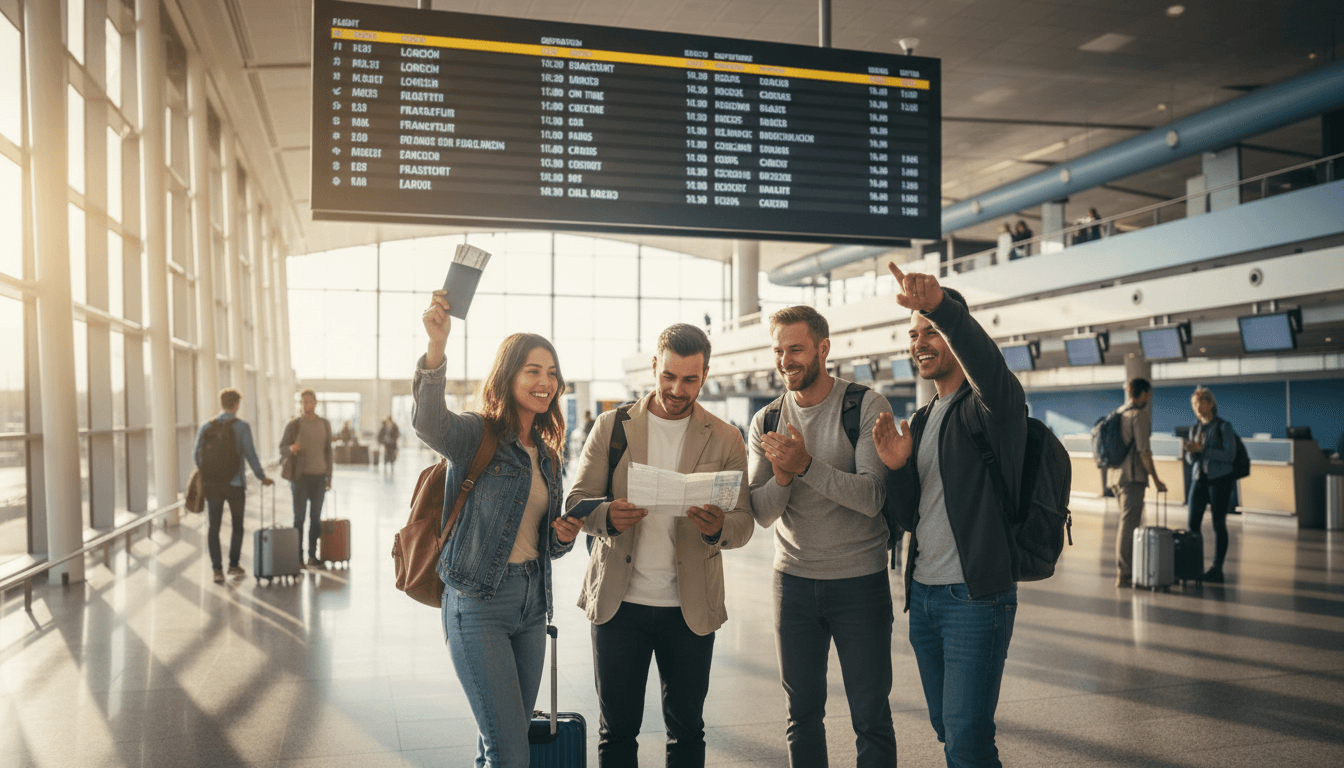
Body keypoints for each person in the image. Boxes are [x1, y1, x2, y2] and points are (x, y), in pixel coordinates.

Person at [570, 323, 752, 768]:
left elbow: (744, 522)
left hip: (689, 609)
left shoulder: (726, 437)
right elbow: (577, 501)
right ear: (654, 366)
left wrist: (715, 528)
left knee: (687, 730)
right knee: (616, 732)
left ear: (705, 375)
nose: (676, 388)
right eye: (668, 375)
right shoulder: (613, 427)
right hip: (619, 603)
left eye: (690, 379)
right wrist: (607, 516)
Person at [417, 289, 582, 768]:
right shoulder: (478, 434)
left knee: (502, 744)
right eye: (533, 370)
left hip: (532, 605)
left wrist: (563, 535)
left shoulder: (548, 455)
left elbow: (544, 541)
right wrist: (436, 348)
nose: (544, 381)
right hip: (477, 604)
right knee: (510, 753)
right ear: (508, 376)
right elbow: (428, 423)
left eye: (551, 373)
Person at [872, 263, 1026, 768]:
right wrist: (897, 468)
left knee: (966, 739)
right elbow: (911, 516)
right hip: (926, 599)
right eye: (914, 334)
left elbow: (986, 365)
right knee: (950, 729)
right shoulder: (922, 417)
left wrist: (944, 310)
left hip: (975, 599)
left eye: (930, 331)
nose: (920, 341)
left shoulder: (991, 407)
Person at [747, 305, 897, 768]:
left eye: (795, 348)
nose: (785, 360)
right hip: (792, 583)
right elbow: (762, 512)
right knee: (802, 715)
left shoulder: (866, 405)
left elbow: (873, 496)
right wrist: (786, 477)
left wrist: (806, 465)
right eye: (778, 350)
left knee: (870, 715)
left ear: (823, 349)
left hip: (860, 582)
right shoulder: (767, 421)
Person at [193, 388, 273, 584]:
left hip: (212, 484)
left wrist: (207, 474)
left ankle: (217, 570)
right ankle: (234, 565)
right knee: (237, 526)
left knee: (214, 527)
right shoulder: (242, 427)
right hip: (235, 484)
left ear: (222, 403)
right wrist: (262, 477)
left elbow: (196, 454)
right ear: (236, 405)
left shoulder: (206, 426)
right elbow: (250, 454)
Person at [1107, 377, 1168, 588]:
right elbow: (1144, 450)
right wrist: (1156, 479)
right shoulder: (1138, 415)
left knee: (1128, 523)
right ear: (1142, 394)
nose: (1149, 399)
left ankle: (1130, 569)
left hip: (1116, 477)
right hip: (1132, 478)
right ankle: (1124, 573)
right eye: (1148, 395)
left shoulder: (1119, 413)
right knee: (1129, 525)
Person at [1183, 387, 1237, 583]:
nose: (1198, 407)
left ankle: (1217, 568)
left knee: (1218, 524)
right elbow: (1191, 460)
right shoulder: (1195, 428)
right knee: (1192, 524)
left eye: (1201, 403)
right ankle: (1194, 567)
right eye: (1195, 404)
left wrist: (1205, 450)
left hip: (1219, 481)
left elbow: (1230, 456)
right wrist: (1191, 452)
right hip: (1199, 480)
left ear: (1211, 403)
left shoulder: (1224, 427)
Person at [280, 389, 334, 569]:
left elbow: (329, 452)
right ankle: (298, 558)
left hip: (319, 477)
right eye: (303, 402)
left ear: (315, 403)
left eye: (309, 402)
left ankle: (312, 555)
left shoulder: (324, 424)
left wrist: (329, 477)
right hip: (300, 478)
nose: (306, 405)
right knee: (299, 518)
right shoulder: (294, 425)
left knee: (315, 518)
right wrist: (291, 448)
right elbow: (282, 448)